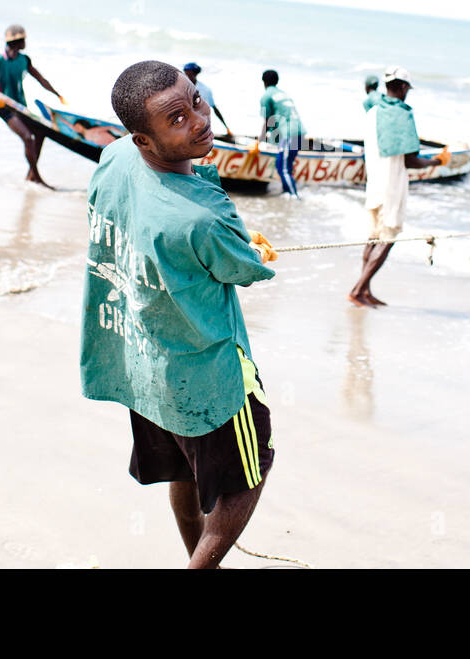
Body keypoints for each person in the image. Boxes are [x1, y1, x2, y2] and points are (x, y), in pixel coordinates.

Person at [80, 60, 280, 569]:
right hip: (208, 379)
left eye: (195, 99)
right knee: (246, 479)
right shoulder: (202, 218)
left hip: (143, 360)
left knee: (184, 475)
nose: (199, 119)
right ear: (144, 139)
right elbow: (245, 271)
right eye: (176, 118)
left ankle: (193, 556)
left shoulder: (115, 156)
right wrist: (247, 248)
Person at [347, 65, 449, 308]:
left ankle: (365, 290)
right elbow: (411, 160)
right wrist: (438, 161)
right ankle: (357, 289)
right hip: (391, 189)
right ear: (403, 87)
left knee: (373, 237)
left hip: (373, 185)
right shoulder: (402, 114)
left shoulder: (373, 112)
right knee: (388, 239)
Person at [0, 24, 64, 189]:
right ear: (16, 41)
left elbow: (40, 79)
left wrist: (57, 94)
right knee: (27, 137)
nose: (25, 42)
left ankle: (31, 176)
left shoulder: (24, 59)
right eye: (23, 39)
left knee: (41, 132)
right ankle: (36, 176)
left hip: (20, 106)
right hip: (4, 108)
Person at [258, 69, 304, 198]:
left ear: (264, 82)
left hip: (289, 134)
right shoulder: (284, 94)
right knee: (285, 167)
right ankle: (287, 193)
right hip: (299, 131)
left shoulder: (266, 96)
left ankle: (293, 196)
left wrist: (260, 141)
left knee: (282, 168)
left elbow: (267, 121)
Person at [182, 62, 232, 137]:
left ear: (195, 74)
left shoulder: (205, 90)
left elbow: (214, 108)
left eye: (190, 74)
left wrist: (226, 127)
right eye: (186, 74)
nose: (187, 76)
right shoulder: (181, 88)